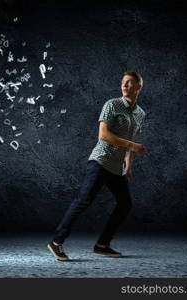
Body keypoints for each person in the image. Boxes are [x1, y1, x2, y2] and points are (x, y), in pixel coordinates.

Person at [47, 71, 147, 261]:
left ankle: (102, 245)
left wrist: (129, 163)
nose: (124, 86)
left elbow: (131, 137)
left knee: (125, 204)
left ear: (138, 87)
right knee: (83, 201)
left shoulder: (140, 113)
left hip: (116, 167)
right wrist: (133, 147)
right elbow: (104, 135)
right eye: (122, 82)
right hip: (101, 161)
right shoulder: (112, 105)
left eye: (129, 83)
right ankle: (56, 242)